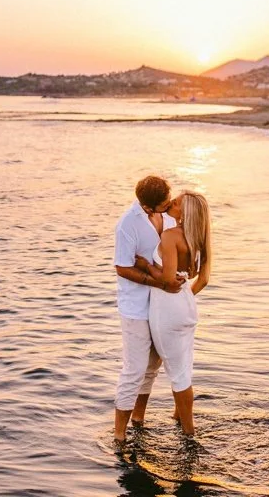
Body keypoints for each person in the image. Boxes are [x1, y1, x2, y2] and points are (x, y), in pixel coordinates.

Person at [111, 176, 185, 444]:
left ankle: (139, 419)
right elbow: (121, 267)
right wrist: (158, 281)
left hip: (161, 304)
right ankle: (119, 434)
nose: (169, 204)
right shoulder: (127, 225)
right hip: (135, 307)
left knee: (153, 366)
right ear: (148, 207)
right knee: (135, 368)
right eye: (164, 203)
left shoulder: (168, 216)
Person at [135, 191, 211, 436]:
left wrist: (146, 265)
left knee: (178, 374)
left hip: (167, 308)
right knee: (183, 366)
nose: (171, 203)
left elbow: (168, 279)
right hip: (186, 305)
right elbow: (204, 279)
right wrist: (184, 296)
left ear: (184, 212)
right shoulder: (200, 238)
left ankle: (189, 434)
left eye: (176, 203)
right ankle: (177, 418)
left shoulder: (170, 236)